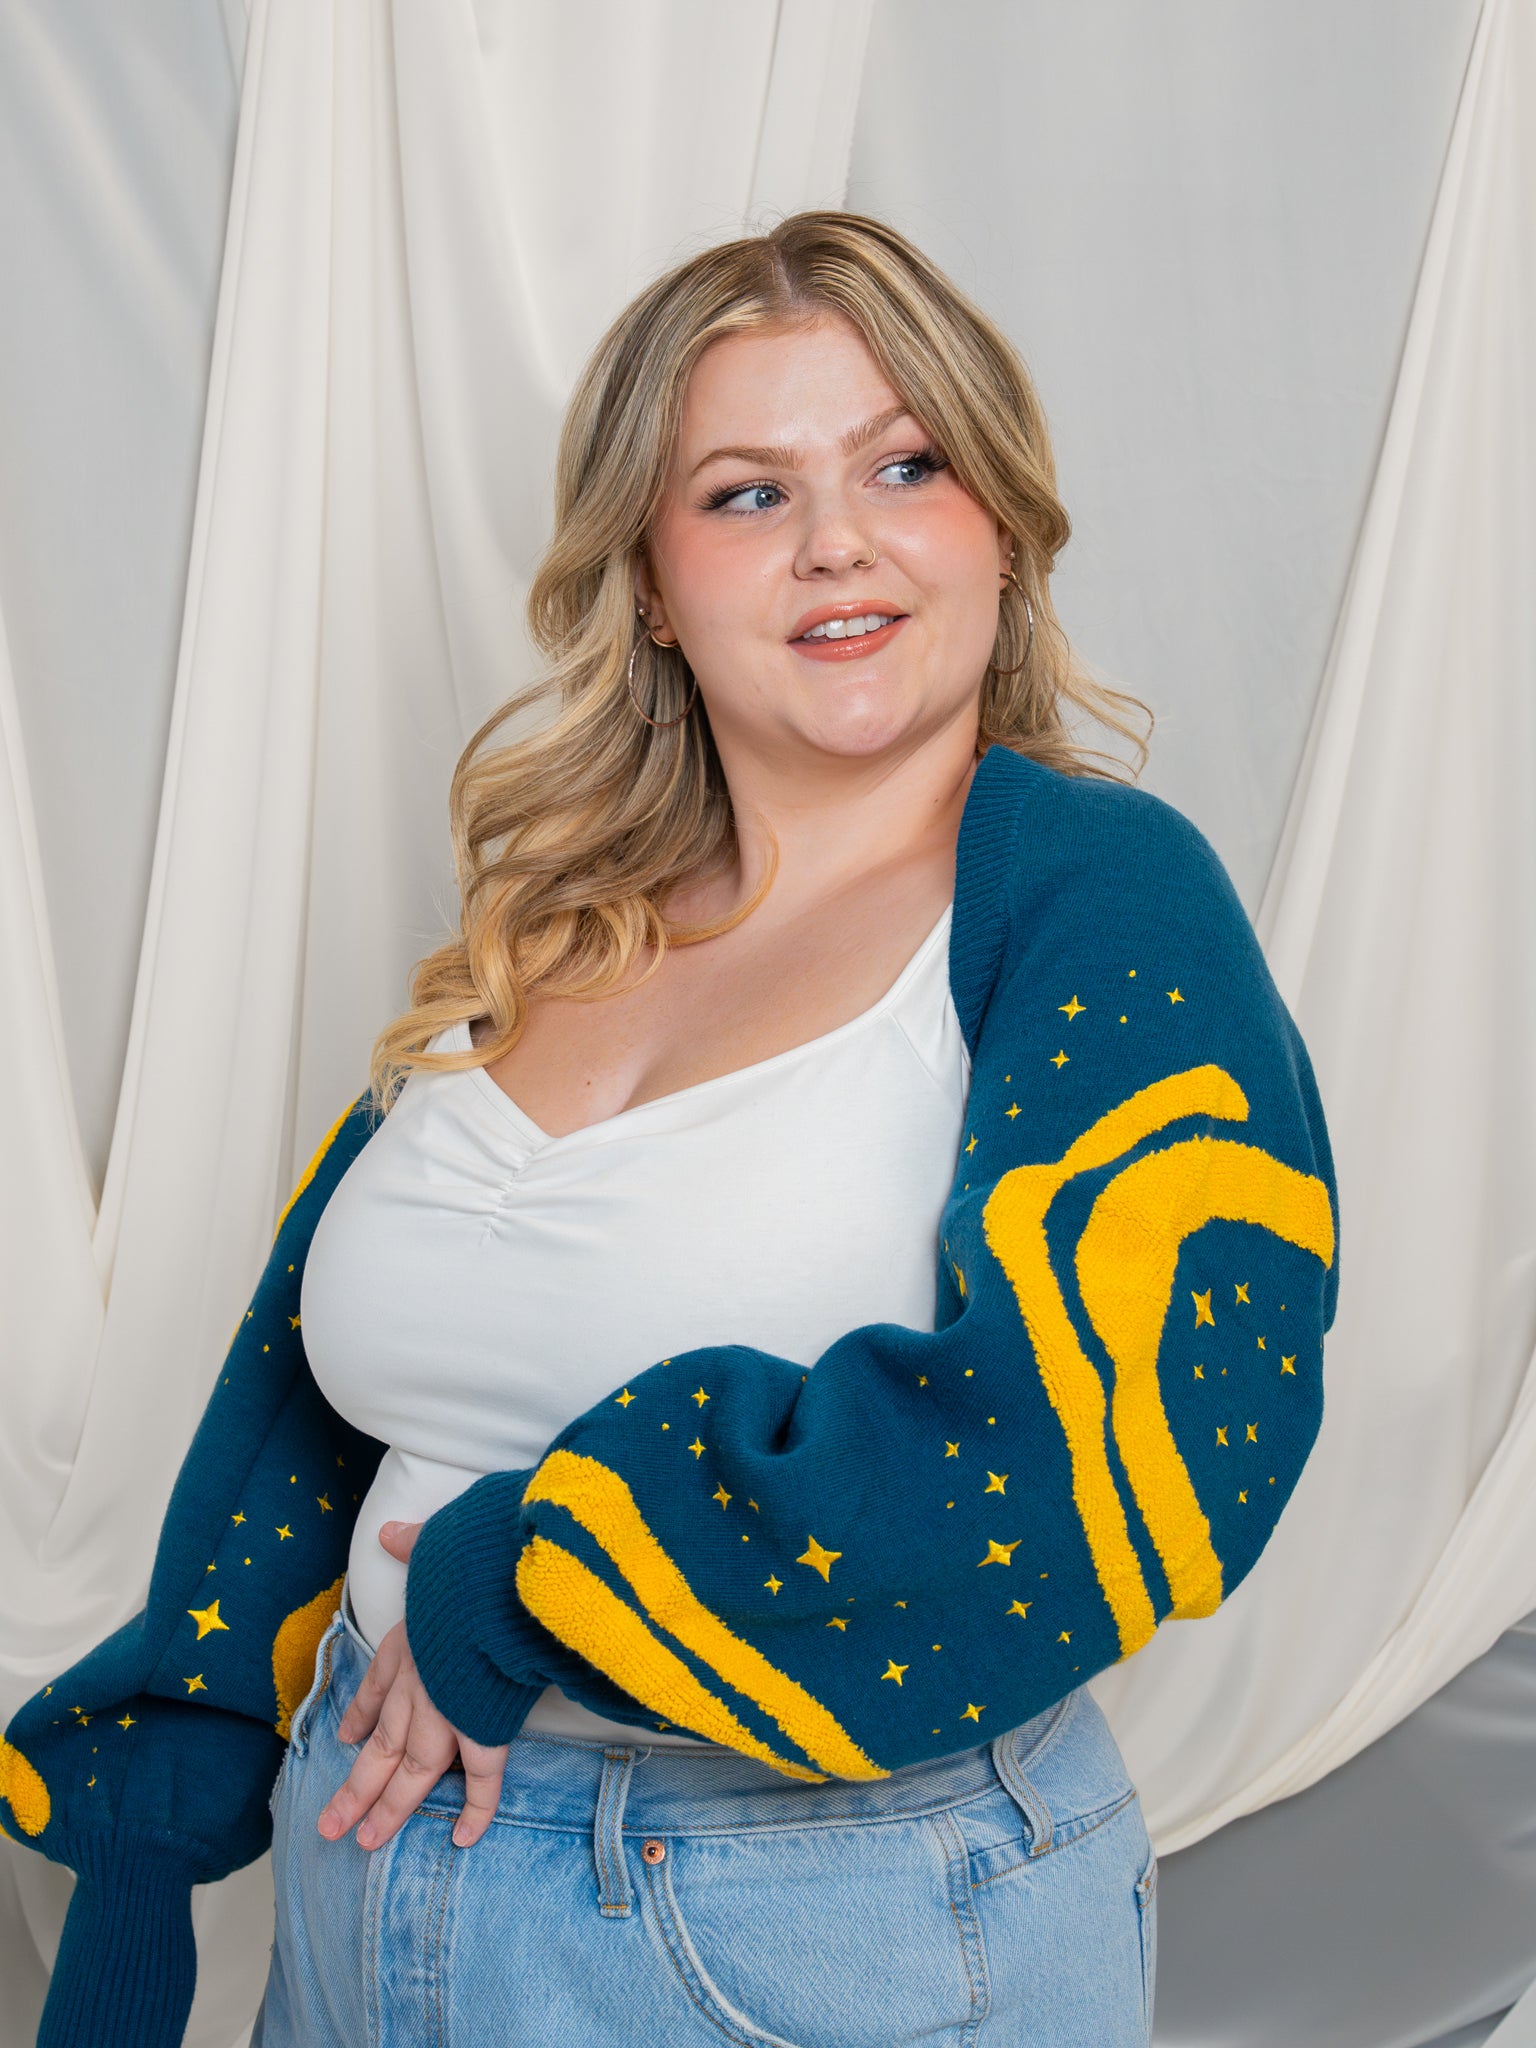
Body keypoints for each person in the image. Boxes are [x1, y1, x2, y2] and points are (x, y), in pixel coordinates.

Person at [3, 213, 1337, 2048]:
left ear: (1003, 529)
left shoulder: (1096, 895)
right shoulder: (556, 920)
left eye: (906, 465)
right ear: (648, 579)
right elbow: (304, 1409)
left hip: (811, 1923)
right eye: (746, 493)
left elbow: (1144, 1427)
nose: (837, 540)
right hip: (363, 1877)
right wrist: (145, 1856)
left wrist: (525, 1580)